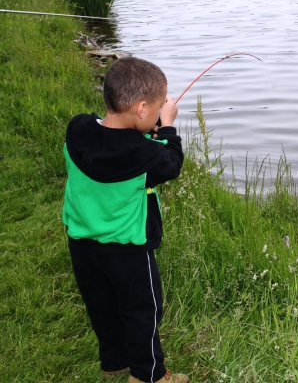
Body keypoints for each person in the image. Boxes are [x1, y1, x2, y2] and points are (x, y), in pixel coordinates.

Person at [62, 56, 188, 383]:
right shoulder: (147, 155)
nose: (162, 111)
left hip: (82, 244)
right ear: (143, 109)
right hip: (128, 251)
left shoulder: (77, 130)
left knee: (102, 306)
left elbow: (115, 143)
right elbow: (170, 161)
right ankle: (150, 376)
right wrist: (169, 127)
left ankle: (114, 362)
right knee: (144, 313)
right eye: (159, 106)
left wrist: (146, 133)